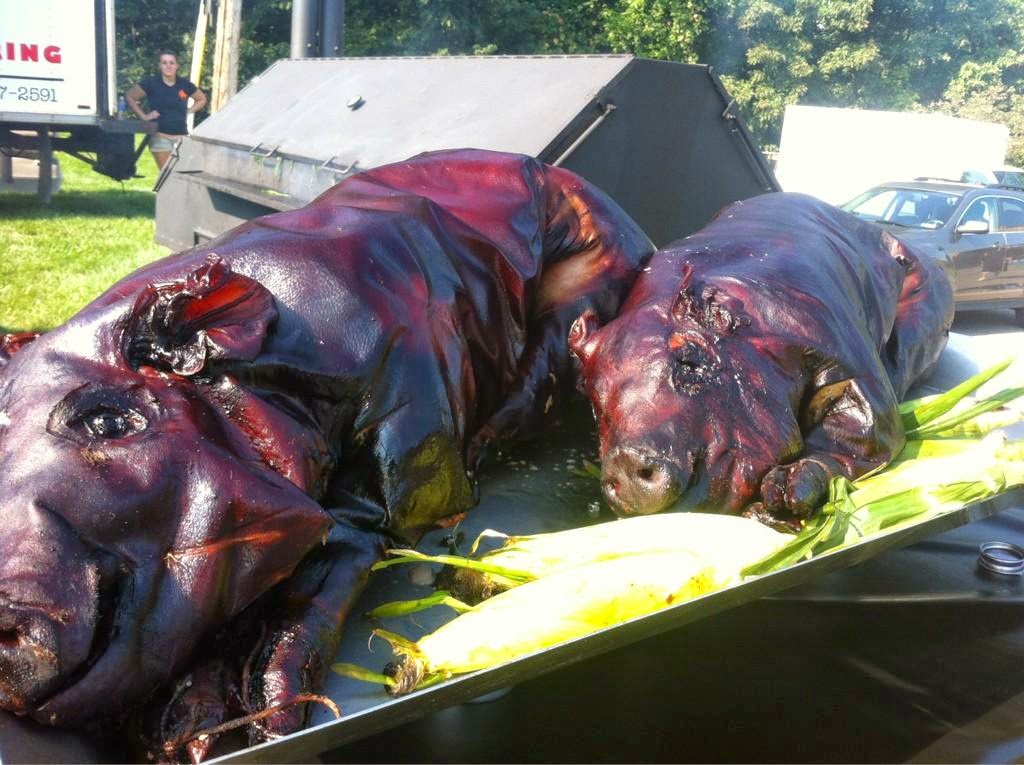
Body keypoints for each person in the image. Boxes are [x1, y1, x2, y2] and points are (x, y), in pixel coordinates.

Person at [125, 50, 207, 170]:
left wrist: (188, 111)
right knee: (166, 174)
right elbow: (130, 97)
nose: (168, 66)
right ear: (159, 66)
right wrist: (144, 116)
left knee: (184, 173)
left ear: (177, 65)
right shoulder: (151, 83)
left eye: (171, 63)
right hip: (160, 137)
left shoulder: (184, 85)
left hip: (182, 136)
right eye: (164, 63)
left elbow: (202, 99)